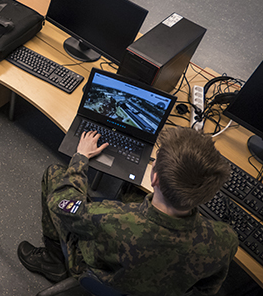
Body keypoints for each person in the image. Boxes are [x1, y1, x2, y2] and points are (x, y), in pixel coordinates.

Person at [17, 127, 239, 296]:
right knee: (131, 190)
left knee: (54, 174)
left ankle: (52, 261)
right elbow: (206, 289)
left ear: (154, 178)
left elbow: (61, 203)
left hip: (96, 272)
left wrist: (81, 158)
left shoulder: (108, 216)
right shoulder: (225, 240)